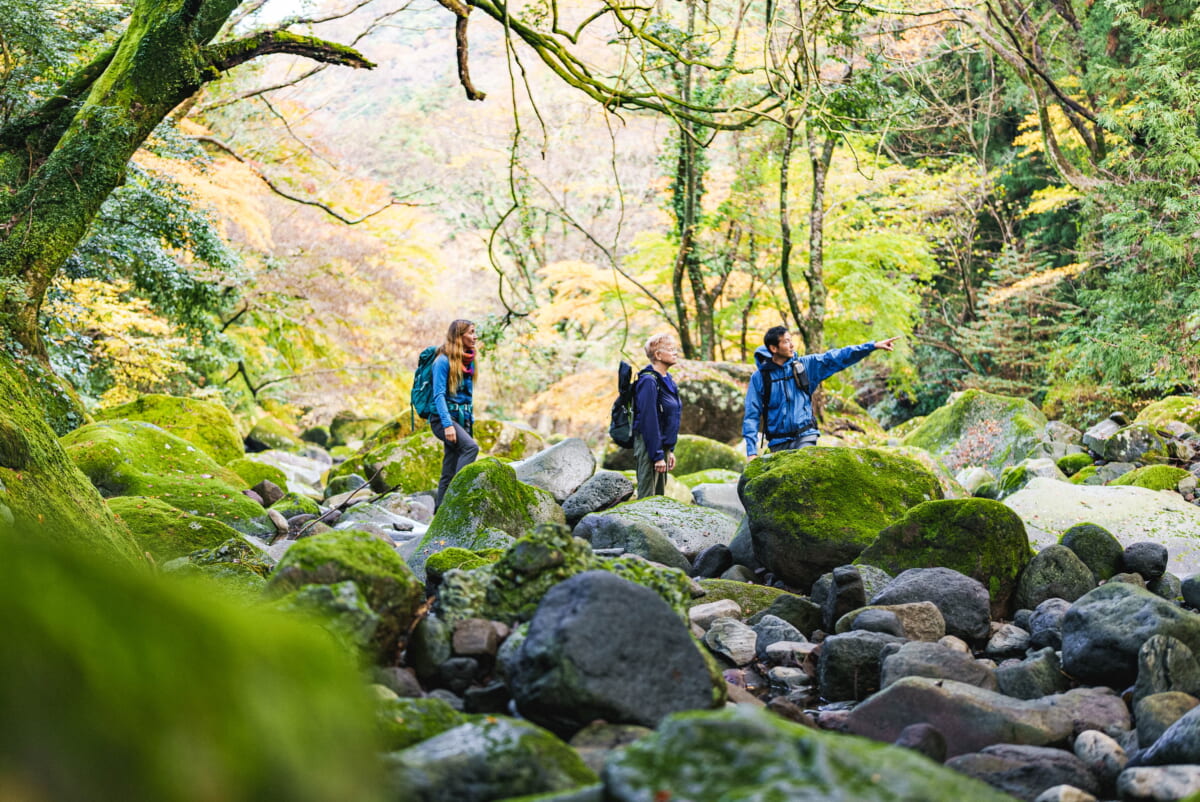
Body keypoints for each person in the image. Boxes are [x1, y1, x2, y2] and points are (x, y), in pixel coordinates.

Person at [742, 326, 898, 459]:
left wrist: (872, 346)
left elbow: (837, 357)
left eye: (791, 340)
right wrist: (751, 452)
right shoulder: (760, 378)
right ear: (773, 348)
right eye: (786, 341)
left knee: (802, 472)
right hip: (778, 442)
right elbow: (751, 414)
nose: (792, 345)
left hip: (805, 436)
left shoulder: (806, 365)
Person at [430, 319, 480, 507]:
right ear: (459, 336)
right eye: (471, 332)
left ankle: (439, 515)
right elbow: (438, 395)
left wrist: (469, 420)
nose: (475, 337)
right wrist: (448, 424)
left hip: (462, 419)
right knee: (471, 448)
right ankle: (456, 500)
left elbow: (467, 397)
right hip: (443, 419)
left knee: (449, 469)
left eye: (475, 332)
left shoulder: (469, 361)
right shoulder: (442, 361)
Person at [632, 333, 683, 498]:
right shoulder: (648, 381)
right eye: (670, 349)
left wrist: (670, 450)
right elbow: (649, 420)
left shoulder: (668, 380)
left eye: (675, 349)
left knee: (659, 497)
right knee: (647, 497)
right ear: (658, 355)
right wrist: (657, 455)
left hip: (662, 447)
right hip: (650, 446)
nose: (675, 352)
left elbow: (669, 417)